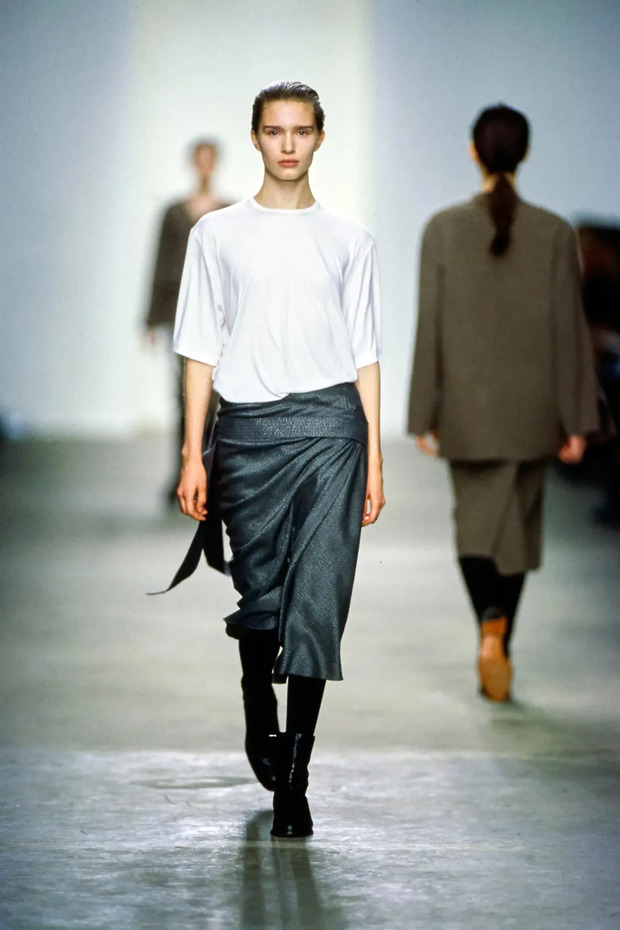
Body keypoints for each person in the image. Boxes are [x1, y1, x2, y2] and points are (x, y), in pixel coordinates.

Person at [172, 82, 384, 837]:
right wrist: (193, 453)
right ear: (256, 138)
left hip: (331, 432)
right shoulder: (217, 234)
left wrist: (376, 461)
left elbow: (366, 356)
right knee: (262, 598)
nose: (288, 144)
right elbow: (200, 348)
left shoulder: (351, 240)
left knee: (318, 597)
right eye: (274, 130)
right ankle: (256, 697)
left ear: (320, 137)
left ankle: (295, 777)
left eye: (301, 130)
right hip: (248, 434)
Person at [408, 104, 599, 703]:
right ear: (526, 153)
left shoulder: (441, 229)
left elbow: (430, 326)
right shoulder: (554, 232)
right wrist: (577, 418)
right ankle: (501, 636)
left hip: (467, 410)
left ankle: (488, 624)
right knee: (517, 529)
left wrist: (422, 411)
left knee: (473, 527)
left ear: (473, 152)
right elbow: (569, 331)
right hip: (533, 410)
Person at [144, 139, 230, 505]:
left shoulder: (230, 211)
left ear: (216, 164)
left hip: (219, 318)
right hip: (180, 317)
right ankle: (184, 473)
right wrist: (151, 319)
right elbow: (160, 263)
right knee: (185, 396)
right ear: (192, 164)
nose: (205, 166)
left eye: (210, 160)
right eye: (200, 160)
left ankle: (212, 474)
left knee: (217, 397)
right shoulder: (173, 213)